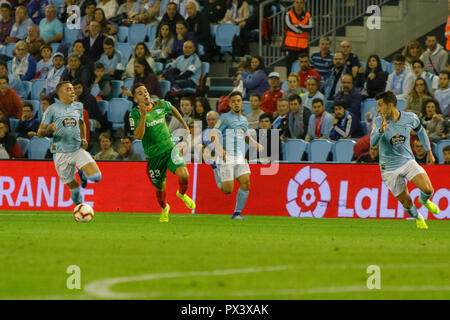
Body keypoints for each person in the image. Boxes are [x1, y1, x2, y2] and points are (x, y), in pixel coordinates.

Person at [371, 91, 439, 229]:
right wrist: (380, 131)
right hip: (389, 169)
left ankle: (424, 201)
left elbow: (420, 131)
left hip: (407, 161)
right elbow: (373, 143)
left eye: (380, 105)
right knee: (407, 203)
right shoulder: (379, 121)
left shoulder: (410, 118)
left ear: (390, 105)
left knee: (428, 189)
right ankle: (418, 217)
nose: (378, 110)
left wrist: (429, 152)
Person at [130, 82, 195, 222]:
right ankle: (165, 208)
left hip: (170, 149)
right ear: (136, 99)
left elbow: (173, 109)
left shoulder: (160, 105)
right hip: (153, 156)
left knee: (184, 176)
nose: (145, 95)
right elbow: (139, 136)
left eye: (145, 91)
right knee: (160, 188)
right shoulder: (134, 114)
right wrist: (142, 116)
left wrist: (185, 126)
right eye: (140, 93)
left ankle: (182, 194)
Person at [37, 81, 102, 209]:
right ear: (60, 94)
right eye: (68, 89)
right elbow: (40, 133)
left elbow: (81, 122)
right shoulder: (51, 110)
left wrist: (83, 138)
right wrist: (49, 130)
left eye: (73, 89)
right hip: (60, 154)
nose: (73, 91)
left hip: (76, 150)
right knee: (76, 193)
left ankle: (82, 173)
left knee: (96, 177)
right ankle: (80, 209)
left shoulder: (78, 106)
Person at [210, 91, 263, 220]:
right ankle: (216, 169)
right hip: (226, 157)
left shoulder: (244, 120)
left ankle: (237, 213)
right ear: (230, 104)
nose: (236, 103)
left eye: (238, 101)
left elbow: (245, 136)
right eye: (233, 101)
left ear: (242, 103)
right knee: (227, 190)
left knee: (246, 183)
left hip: (239, 156)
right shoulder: (224, 118)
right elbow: (213, 134)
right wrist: (220, 149)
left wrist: (256, 144)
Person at [283, 0, 312, 71]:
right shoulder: (288, 14)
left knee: (304, 68)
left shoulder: (308, 15)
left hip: (303, 47)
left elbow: (310, 27)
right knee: (289, 68)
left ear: (304, 4)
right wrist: (300, 30)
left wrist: (299, 26)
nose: (299, 4)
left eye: (301, 2)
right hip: (290, 46)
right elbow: (289, 26)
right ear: (293, 4)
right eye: (297, 2)